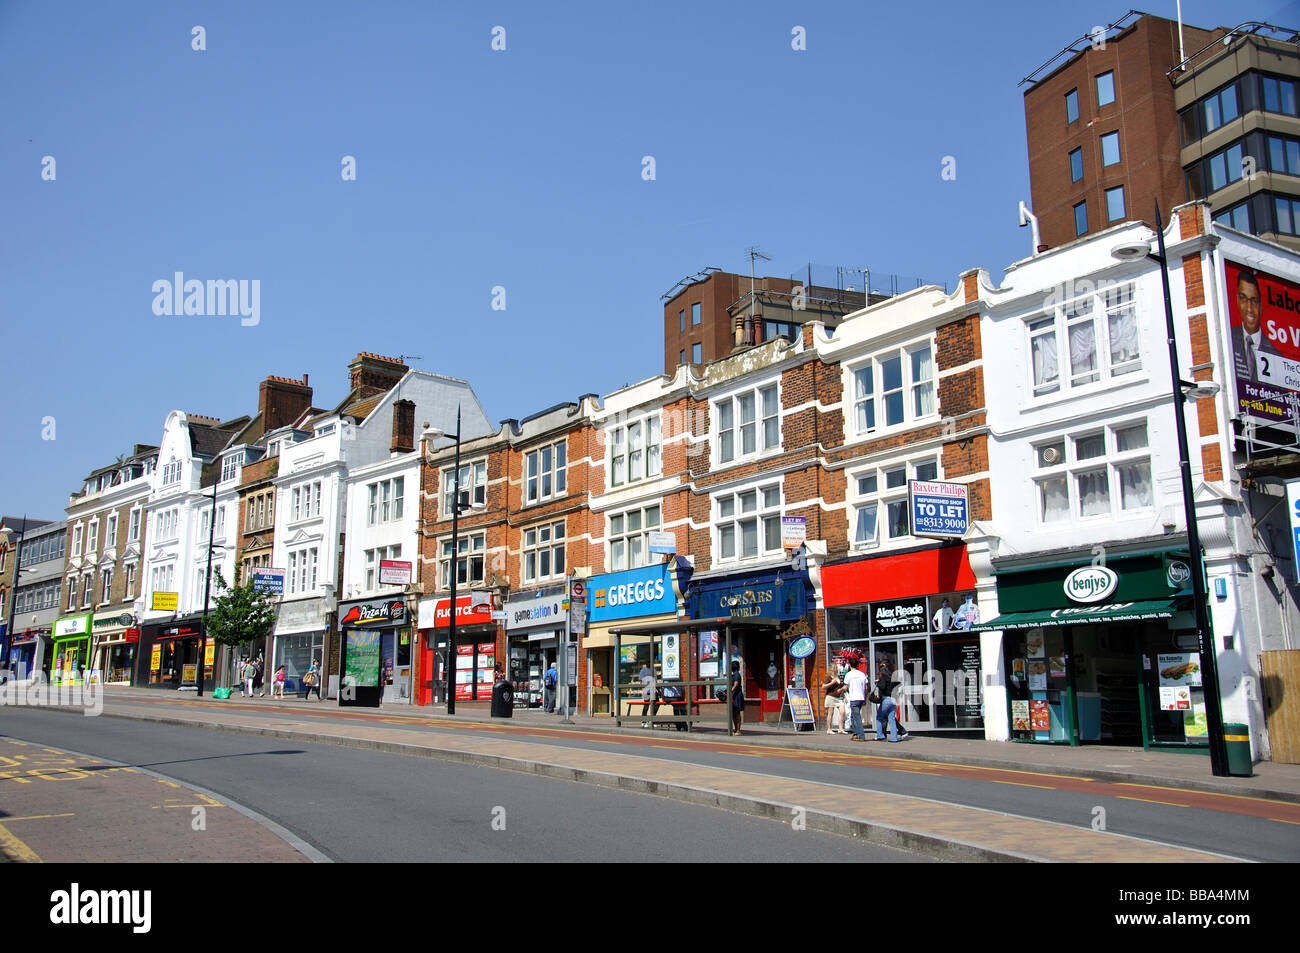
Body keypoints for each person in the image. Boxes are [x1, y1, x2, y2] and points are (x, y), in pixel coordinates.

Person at [1231, 270, 1276, 380]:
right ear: (1237, 300)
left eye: (1254, 301)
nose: (1249, 308)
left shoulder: (1274, 354)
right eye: (1243, 298)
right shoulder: (1228, 338)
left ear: (1261, 306)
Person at [875, 661, 907, 743]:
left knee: (879, 717)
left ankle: (880, 735)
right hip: (893, 700)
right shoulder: (891, 678)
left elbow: (882, 686)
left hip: (886, 700)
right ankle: (894, 737)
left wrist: (877, 683)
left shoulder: (882, 678)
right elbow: (898, 683)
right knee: (891, 719)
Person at [844, 660, 869, 741]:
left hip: (853, 698)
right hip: (861, 698)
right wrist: (865, 697)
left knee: (857, 717)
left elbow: (845, 687)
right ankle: (855, 734)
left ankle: (861, 735)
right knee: (853, 716)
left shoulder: (848, 674)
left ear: (850, 665)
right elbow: (866, 688)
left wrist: (841, 692)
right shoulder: (862, 674)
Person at [822, 668, 847, 734]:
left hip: (838, 697)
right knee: (830, 713)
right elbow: (823, 687)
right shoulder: (828, 677)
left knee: (842, 711)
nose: (836, 669)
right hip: (831, 696)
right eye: (835, 668)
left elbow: (839, 688)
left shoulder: (838, 677)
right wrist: (832, 682)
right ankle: (829, 729)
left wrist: (844, 696)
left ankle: (840, 729)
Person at [729, 660, 745, 735]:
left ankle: (738, 730)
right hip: (733, 695)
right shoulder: (733, 674)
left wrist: (729, 691)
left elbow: (736, 685)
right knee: (734, 713)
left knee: (737, 712)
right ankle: (735, 729)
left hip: (737, 695)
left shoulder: (736, 675)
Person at [638, 663, 656, 727]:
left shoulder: (653, 670)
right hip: (646, 691)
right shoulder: (643, 670)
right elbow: (640, 680)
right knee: (646, 706)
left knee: (655, 705)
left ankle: (653, 720)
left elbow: (655, 681)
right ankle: (643, 721)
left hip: (653, 690)